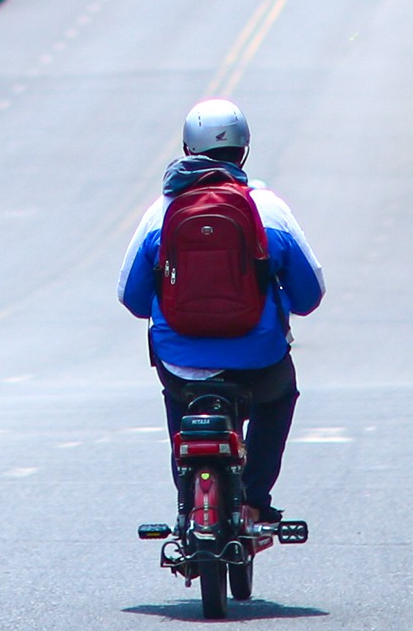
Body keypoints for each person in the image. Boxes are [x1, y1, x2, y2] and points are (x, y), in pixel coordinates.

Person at [118, 99, 324, 524]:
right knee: (278, 397)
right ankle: (253, 499)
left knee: (178, 402)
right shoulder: (270, 209)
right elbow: (308, 296)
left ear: (187, 149)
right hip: (259, 359)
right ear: (243, 150)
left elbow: (133, 298)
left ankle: (187, 509)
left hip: (181, 362)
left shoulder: (161, 211)